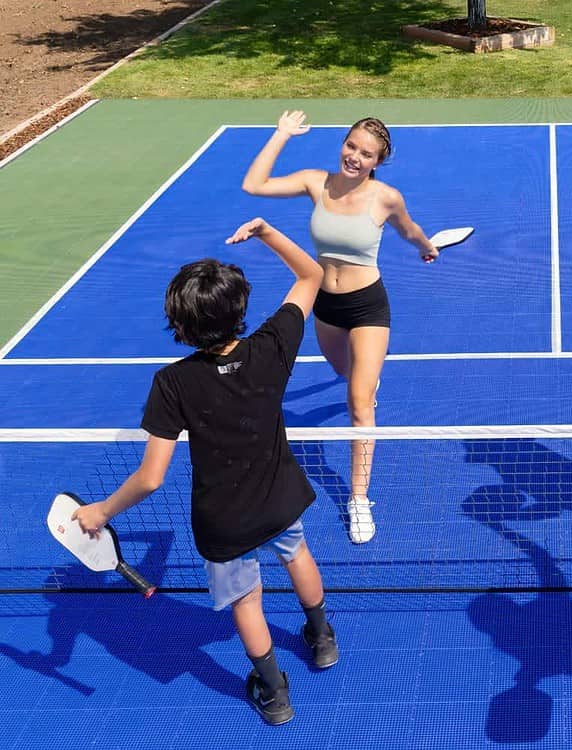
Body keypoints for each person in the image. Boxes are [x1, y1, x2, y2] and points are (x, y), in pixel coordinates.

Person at [72, 218, 336, 726]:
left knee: (247, 600)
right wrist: (268, 233)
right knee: (297, 554)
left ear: (183, 327)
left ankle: (275, 692)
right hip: (280, 497)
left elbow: (151, 478)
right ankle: (322, 638)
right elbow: (310, 277)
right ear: (239, 309)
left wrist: (100, 511)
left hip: (225, 521)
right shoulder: (272, 346)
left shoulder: (173, 384)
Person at [242, 111, 439, 545]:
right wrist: (280, 135)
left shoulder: (385, 197)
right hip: (326, 306)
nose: (354, 156)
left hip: (368, 306)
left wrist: (427, 247)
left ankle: (359, 499)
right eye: (351, 146)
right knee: (342, 373)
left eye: (365, 153)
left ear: (377, 162)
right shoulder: (316, 182)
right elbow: (254, 185)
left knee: (358, 404)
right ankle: (366, 382)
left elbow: (409, 230)